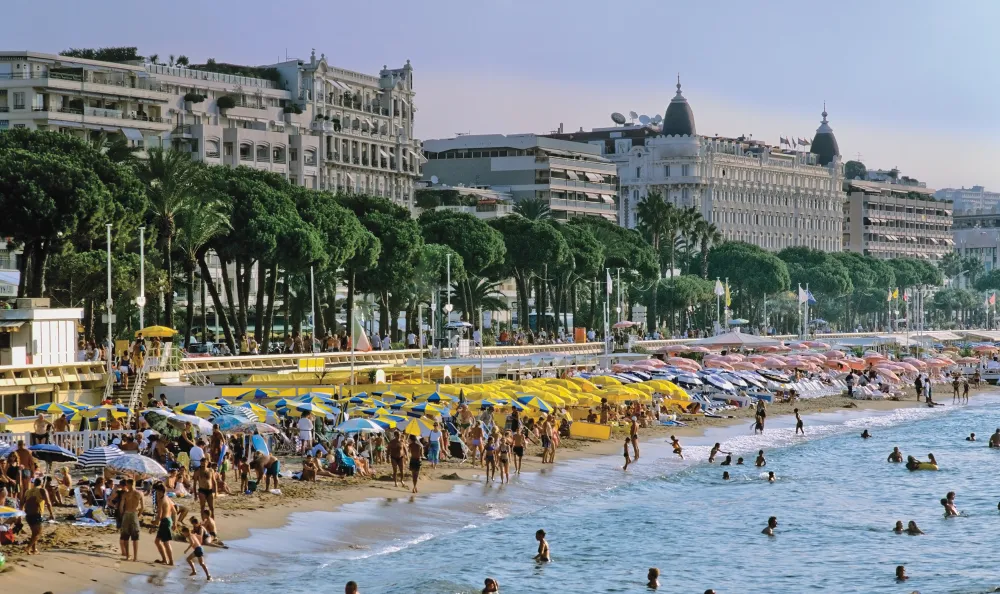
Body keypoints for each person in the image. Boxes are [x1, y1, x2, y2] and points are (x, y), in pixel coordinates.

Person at [22, 477, 52, 555]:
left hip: (28, 515)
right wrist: (51, 514)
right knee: (38, 533)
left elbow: (22, 502)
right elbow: (48, 503)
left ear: (34, 483)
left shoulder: (27, 491)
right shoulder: (42, 490)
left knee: (34, 533)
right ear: (41, 483)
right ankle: (28, 548)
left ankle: (34, 549)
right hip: (36, 514)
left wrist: (20, 514)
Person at [119, 478, 144, 561]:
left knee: (125, 536)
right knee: (135, 537)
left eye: (127, 484)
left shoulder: (125, 494)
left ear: (129, 484)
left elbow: (121, 507)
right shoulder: (140, 493)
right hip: (134, 514)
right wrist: (139, 515)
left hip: (127, 514)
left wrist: (122, 515)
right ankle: (135, 557)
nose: (126, 485)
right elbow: (142, 507)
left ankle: (127, 556)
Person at [152, 482, 175, 565]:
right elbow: (174, 512)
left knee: (166, 542)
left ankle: (170, 561)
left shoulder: (161, 500)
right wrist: (175, 524)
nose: (157, 495)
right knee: (157, 541)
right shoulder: (168, 498)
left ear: (161, 492)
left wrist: (153, 526)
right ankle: (165, 559)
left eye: (157, 493)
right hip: (168, 520)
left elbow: (159, 516)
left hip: (165, 521)